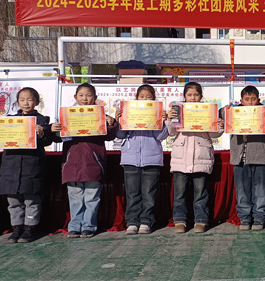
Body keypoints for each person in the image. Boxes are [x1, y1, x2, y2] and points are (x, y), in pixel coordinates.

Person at [0, 87, 62, 243]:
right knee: (13, 200)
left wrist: (42, 134)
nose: (26, 103)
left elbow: (49, 140)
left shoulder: (43, 121)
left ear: (37, 102)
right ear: (17, 102)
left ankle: (31, 228)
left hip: (32, 165)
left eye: (30, 99)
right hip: (10, 166)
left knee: (31, 200)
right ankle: (17, 228)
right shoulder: (8, 120)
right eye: (22, 100)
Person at [60, 83, 118, 238]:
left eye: (88, 95)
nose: (84, 98)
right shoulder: (67, 116)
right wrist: (55, 128)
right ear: (75, 97)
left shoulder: (101, 116)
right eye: (81, 95)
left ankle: (89, 226)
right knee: (75, 198)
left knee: (92, 198)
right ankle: (74, 226)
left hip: (93, 163)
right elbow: (59, 136)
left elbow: (110, 136)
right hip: (72, 164)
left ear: (95, 97)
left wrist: (112, 123)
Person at [166, 82, 224, 234]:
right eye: (189, 95)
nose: (193, 98)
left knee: (201, 193)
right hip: (181, 158)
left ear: (201, 96)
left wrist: (219, 125)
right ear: (184, 96)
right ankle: (180, 220)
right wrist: (169, 119)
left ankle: (201, 220)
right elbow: (171, 132)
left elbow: (214, 134)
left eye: (196, 95)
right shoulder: (177, 110)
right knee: (180, 193)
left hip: (201, 157)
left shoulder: (207, 110)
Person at [116, 84, 168, 235]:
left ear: (154, 99)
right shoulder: (129, 112)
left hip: (152, 158)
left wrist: (161, 121)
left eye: (149, 97)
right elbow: (120, 135)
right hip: (130, 158)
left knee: (149, 193)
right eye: (142, 96)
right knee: (132, 193)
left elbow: (161, 136)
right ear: (137, 98)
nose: (145, 99)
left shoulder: (156, 113)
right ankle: (132, 222)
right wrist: (120, 120)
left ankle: (146, 221)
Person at [229, 85, 265, 231]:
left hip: (260, 157)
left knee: (260, 190)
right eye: (247, 99)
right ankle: (245, 218)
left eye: (253, 99)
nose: (250, 102)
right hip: (240, 158)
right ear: (241, 101)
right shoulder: (234, 113)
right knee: (242, 191)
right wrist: (224, 111)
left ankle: (259, 218)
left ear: (258, 99)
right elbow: (223, 122)